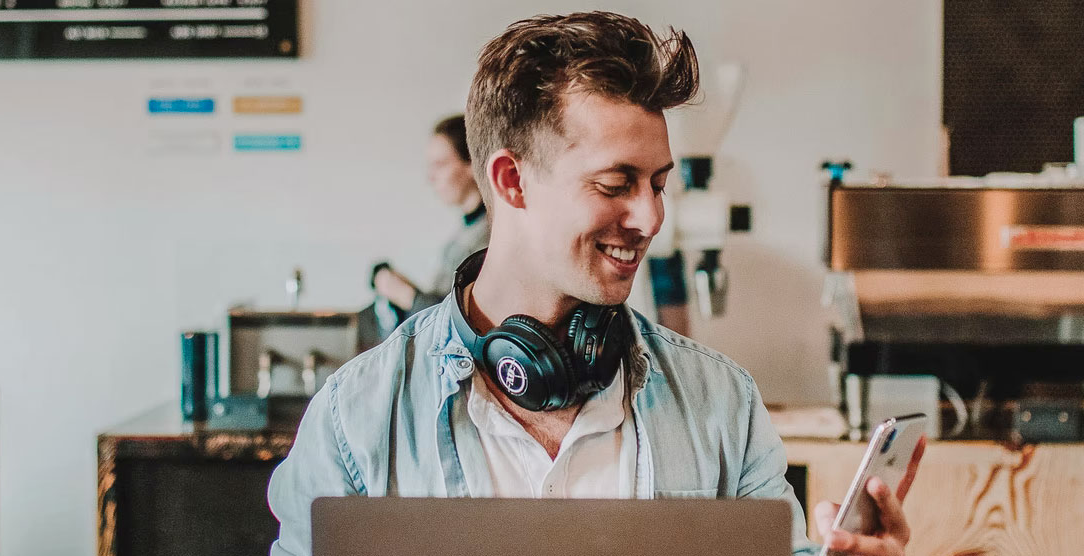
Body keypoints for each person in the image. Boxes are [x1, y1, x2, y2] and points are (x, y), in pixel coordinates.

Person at [267, 12, 923, 556]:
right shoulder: (356, 418)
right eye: (616, 184)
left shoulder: (722, 401)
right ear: (511, 181)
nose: (650, 217)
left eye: (659, 184)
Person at [371, 115, 491, 316]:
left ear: (472, 164)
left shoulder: (490, 236)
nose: (431, 177)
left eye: (440, 164)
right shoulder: (467, 231)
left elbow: (458, 321)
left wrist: (403, 293)